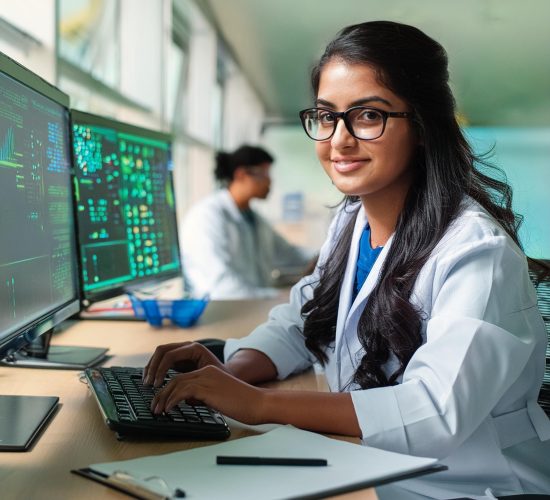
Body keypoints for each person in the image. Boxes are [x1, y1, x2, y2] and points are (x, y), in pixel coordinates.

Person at [144, 21, 550, 499]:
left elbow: (434, 411)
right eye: (326, 115)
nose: (338, 139)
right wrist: (226, 371)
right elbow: (300, 322)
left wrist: (257, 405)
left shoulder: (476, 252)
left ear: (422, 125)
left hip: (468, 485)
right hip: (377, 466)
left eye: (369, 116)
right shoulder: (351, 222)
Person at [180, 144, 316, 299]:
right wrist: (276, 297)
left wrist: (329, 254)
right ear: (242, 175)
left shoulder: (254, 219)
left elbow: (291, 254)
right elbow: (221, 286)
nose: (269, 181)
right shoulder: (207, 216)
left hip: (251, 306)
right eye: (265, 174)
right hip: (224, 310)